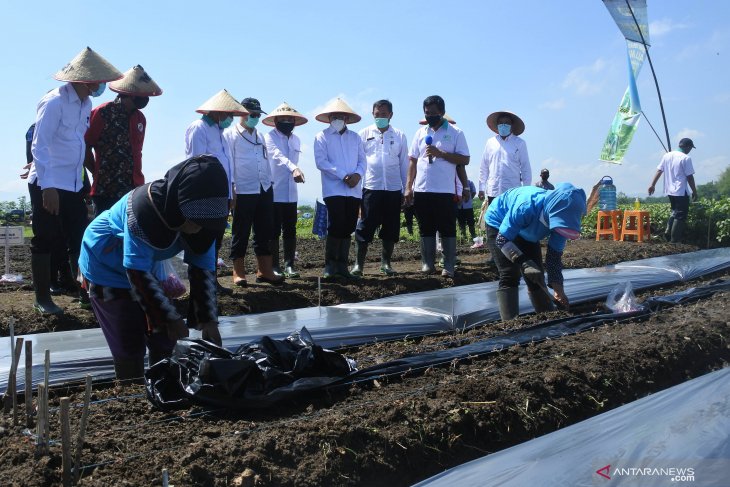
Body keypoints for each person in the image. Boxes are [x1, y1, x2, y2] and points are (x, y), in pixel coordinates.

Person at [79, 155, 228, 381]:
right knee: (128, 336)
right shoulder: (144, 210)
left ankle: (162, 385)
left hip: (146, 266)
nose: (198, 228)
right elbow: (136, 271)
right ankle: (131, 392)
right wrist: (170, 317)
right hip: (106, 263)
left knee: (163, 337)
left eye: (205, 223)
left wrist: (209, 320)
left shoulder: (207, 223)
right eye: (194, 219)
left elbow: (203, 271)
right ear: (179, 206)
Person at [28, 47, 122, 315]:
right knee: (45, 237)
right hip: (49, 181)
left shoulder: (86, 104)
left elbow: (79, 144)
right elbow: (40, 144)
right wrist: (47, 186)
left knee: (80, 235)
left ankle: (80, 288)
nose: (103, 86)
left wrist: (86, 177)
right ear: (88, 81)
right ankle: (42, 298)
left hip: (73, 181)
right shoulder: (54, 102)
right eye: (100, 81)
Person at [485, 183, 586, 321]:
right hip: (499, 224)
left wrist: (559, 291)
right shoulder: (526, 206)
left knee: (537, 273)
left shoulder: (563, 225)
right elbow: (502, 240)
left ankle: (547, 316)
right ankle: (510, 323)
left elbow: (554, 258)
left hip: (527, 232)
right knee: (510, 273)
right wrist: (523, 262)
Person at [185, 89, 248, 294]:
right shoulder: (199, 128)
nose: (231, 119)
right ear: (217, 112)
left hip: (222, 193)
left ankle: (211, 281)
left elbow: (227, 166)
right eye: (229, 114)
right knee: (202, 238)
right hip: (205, 194)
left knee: (216, 238)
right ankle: (200, 282)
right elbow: (197, 163)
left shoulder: (221, 133)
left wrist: (231, 193)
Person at [404, 95, 470, 278]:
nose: (430, 116)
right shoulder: (420, 133)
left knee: (447, 227)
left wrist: (440, 153)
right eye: (427, 113)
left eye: (434, 113)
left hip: (445, 190)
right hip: (423, 189)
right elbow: (412, 162)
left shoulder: (456, 132)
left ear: (441, 112)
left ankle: (448, 265)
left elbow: (464, 159)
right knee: (426, 227)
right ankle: (427, 264)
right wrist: (408, 187)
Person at [85, 65, 162, 215]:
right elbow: (85, 145)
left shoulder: (140, 118)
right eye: (141, 94)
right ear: (129, 93)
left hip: (133, 189)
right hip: (106, 189)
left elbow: (137, 152)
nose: (144, 99)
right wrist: (95, 172)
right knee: (106, 234)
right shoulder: (103, 112)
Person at [223, 97, 283, 287]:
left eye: (257, 115)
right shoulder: (231, 135)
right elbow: (229, 163)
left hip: (264, 187)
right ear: (242, 113)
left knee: (264, 230)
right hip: (243, 188)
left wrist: (270, 182)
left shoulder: (260, 136)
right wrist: (231, 188)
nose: (255, 118)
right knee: (241, 231)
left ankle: (264, 270)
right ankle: (238, 272)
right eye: (252, 114)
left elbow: (265, 160)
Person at [353, 100, 409, 276]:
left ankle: (386, 263)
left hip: (393, 188)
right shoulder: (363, 134)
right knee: (365, 226)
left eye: (383, 114)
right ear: (373, 114)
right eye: (377, 114)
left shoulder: (399, 135)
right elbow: (359, 162)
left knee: (391, 227)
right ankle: (358, 265)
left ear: (390, 115)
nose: (380, 117)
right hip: (371, 187)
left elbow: (404, 164)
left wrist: (406, 188)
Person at [313, 98, 366, 279]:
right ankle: (330, 265)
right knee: (335, 225)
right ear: (329, 119)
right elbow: (322, 162)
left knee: (349, 225)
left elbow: (362, 161)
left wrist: (357, 175)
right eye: (333, 116)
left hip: (353, 189)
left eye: (340, 116)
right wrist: (343, 175)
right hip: (334, 188)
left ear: (346, 118)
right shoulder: (322, 137)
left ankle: (342, 266)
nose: (337, 119)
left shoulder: (355, 138)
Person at [263, 102, 308, 278]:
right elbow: (277, 156)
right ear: (275, 121)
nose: (287, 122)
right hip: (275, 189)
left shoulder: (296, 139)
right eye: (283, 119)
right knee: (273, 229)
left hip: (292, 191)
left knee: (290, 228)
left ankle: (289, 265)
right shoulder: (269, 137)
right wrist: (294, 168)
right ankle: (275, 265)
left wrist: (295, 170)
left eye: (290, 119)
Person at [648, 138, 698, 243]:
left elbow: (659, 170)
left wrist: (652, 184)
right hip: (680, 190)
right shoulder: (686, 158)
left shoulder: (667, 155)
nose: (690, 150)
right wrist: (694, 191)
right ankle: (674, 240)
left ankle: (667, 232)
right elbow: (690, 177)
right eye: (690, 148)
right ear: (687, 147)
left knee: (675, 211)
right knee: (680, 215)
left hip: (669, 190)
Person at [478, 110, 531, 204]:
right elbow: (484, 166)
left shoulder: (519, 143)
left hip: (512, 191)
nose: (503, 125)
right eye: (501, 123)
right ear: (497, 125)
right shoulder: (490, 142)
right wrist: (481, 188)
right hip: (493, 191)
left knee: (510, 218)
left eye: (507, 123)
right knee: (493, 218)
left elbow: (525, 168)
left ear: (512, 125)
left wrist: (525, 190)